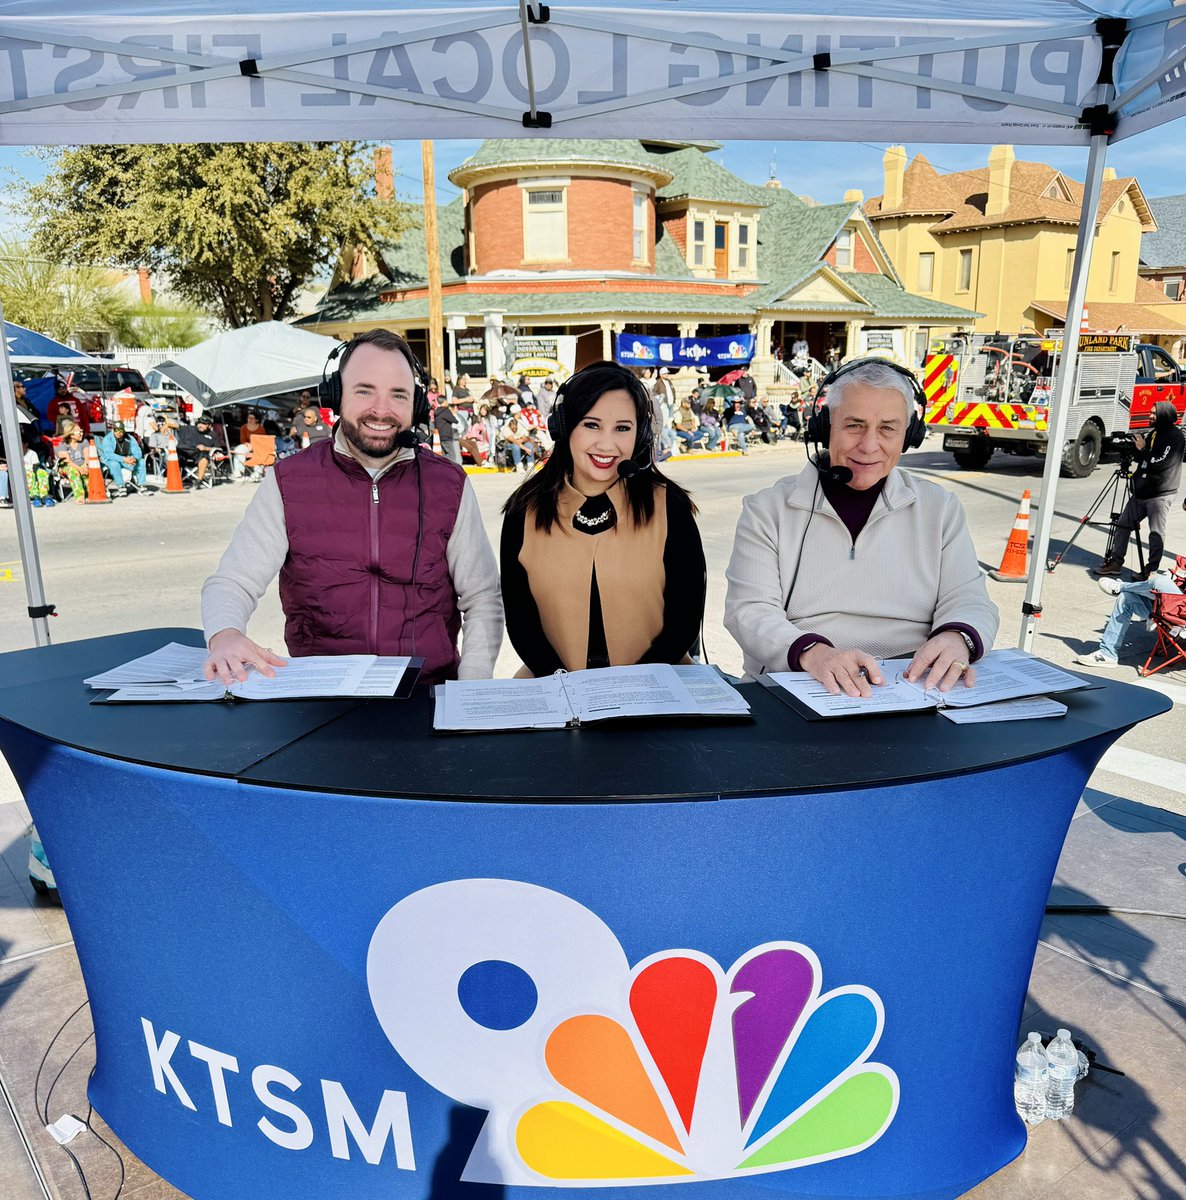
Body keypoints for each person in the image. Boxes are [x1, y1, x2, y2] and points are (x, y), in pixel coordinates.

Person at [201, 328, 503, 686]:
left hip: (425, 693)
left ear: (417, 405)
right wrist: (225, 634)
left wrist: (472, 685)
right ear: (335, 395)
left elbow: (482, 597)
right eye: (364, 390)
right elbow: (234, 580)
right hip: (320, 696)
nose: (381, 409)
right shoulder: (289, 481)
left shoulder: (449, 484)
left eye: (398, 395)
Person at [725, 358, 998, 697]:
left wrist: (957, 637)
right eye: (854, 425)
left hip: (913, 685)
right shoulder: (766, 509)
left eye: (887, 428)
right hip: (799, 681)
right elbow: (748, 610)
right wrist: (814, 654)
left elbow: (970, 600)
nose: (869, 446)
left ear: (909, 436)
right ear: (824, 428)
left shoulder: (940, 508)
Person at [500, 360, 705, 676]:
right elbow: (521, 622)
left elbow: (685, 617)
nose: (607, 445)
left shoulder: (669, 506)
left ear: (640, 435)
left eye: (622, 428)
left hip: (658, 682)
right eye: (591, 425)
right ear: (564, 426)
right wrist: (560, 681)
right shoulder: (524, 511)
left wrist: (634, 686)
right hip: (552, 683)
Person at [1093, 401, 1184, 579]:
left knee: (1156, 533)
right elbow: (1143, 458)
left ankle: (1150, 570)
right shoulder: (1154, 433)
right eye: (1150, 413)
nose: (1150, 416)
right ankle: (1116, 563)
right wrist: (1132, 447)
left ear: (1164, 415)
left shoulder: (1175, 437)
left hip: (1160, 493)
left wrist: (1142, 450)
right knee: (1123, 524)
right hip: (1141, 491)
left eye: (1153, 414)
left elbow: (1160, 463)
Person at [1075, 566, 1184, 669]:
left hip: (1180, 613)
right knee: (1126, 598)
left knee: (1160, 582)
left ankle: (1120, 587)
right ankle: (1107, 653)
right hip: (1176, 606)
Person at [98, 421, 149, 497]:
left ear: (124, 431)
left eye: (121, 430)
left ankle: (142, 485)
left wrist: (135, 458)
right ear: (113, 430)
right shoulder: (108, 439)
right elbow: (109, 454)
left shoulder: (130, 438)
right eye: (116, 430)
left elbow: (137, 450)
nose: (118, 433)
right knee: (114, 464)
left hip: (128, 460)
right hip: (112, 460)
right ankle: (121, 486)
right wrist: (124, 459)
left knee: (141, 462)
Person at [175, 415, 222, 486]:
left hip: (200, 456)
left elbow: (218, 449)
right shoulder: (190, 429)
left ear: (209, 426)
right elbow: (175, 426)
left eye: (204, 424)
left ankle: (199, 480)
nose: (201, 425)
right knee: (177, 450)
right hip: (185, 454)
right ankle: (175, 478)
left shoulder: (213, 435)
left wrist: (206, 448)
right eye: (199, 423)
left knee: (205, 456)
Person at [56, 426, 88, 503]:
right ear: (71, 435)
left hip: (82, 465)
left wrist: (85, 465)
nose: (81, 433)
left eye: (82, 431)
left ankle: (92, 491)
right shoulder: (62, 444)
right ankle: (79, 495)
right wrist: (79, 469)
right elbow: (67, 461)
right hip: (67, 467)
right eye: (79, 432)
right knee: (73, 471)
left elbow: (87, 456)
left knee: (89, 470)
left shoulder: (84, 441)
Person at [433, 396, 462, 465]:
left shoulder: (436, 412)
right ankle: (451, 470)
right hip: (447, 436)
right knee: (451, 455)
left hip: (440, 436)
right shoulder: (445, 411)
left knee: (444, 454)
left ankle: (445, 469)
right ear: (444, 402)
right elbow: (454, 420)